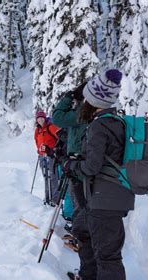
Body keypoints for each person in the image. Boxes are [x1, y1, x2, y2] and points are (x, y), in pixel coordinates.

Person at [62, 69, 133, 280]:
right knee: (82, 228)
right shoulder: (116, 121)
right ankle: (90, 277)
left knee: (109, 254)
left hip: (106, 199)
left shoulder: (100, 126)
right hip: (107, 196)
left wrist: (72, 165)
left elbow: (91, 167)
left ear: (95, 100)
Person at [52, 82, 88, 235]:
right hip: (90, 163)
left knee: (79, 202)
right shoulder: (99, 113)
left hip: (78, 165)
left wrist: (70, 96)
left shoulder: (82, 114)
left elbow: (57, 117)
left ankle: (82, 234)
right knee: (83, 201)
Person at [34, 111, 60, 206]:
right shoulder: (38, 130)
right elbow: (37, 141)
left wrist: (54, 150)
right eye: (38, 118)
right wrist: (39, 151)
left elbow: (60, 137)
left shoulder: (50, 127)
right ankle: (48, 197)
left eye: (42, 118)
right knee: (46, 177)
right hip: (42, 157)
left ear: (45, 118)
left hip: (51, 155)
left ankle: (55, 199)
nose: (40, 120)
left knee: (53, 177)